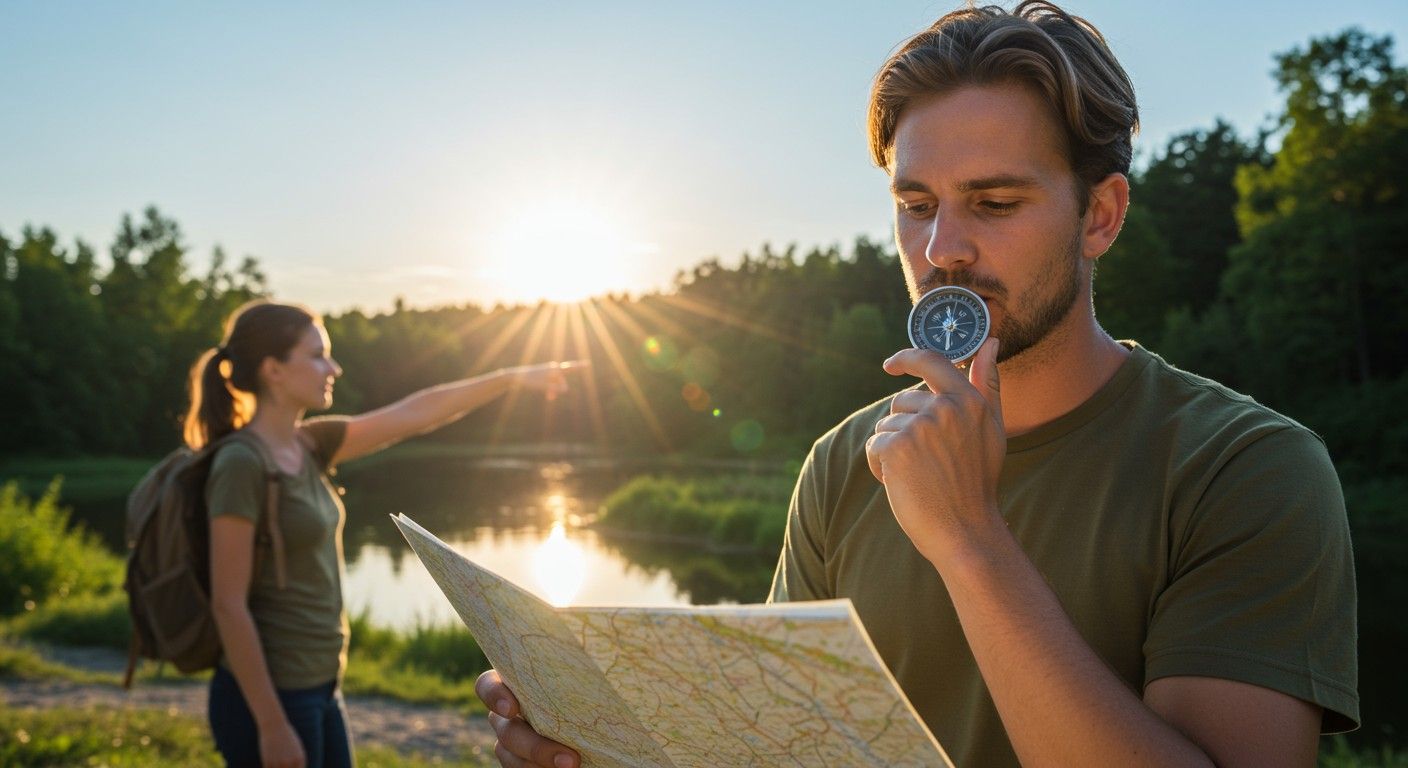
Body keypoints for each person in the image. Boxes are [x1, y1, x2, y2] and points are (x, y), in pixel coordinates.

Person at [473, 2, 1358, 766]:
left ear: (1101, 215)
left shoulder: (1247, 470)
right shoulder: (844, 464)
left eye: (995, 204)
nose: (942, 252)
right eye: (917, 204)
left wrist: (969, 537)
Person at [188, 299, 582, 768]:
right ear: (273, 370)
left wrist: (510, 378)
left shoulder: (309, 445)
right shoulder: (241, 463)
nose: (332, 367)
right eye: (317, 355)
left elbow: (415, 414)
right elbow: (227, 604)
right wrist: (272, 726)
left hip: (320, 687)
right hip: (271, 699)